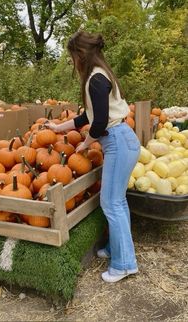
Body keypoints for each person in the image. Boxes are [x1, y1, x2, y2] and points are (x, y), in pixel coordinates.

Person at [46, 31, 141, 283]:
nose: (72, 62)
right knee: (117, 201)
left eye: (72, 57)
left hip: (118, 142)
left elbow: (98, 124)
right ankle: (116, 250)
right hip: (122, 139)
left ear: (80, 54)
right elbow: (87, 118)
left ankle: (123, 265)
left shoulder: (95, 80)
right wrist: (58, 128)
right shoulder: (101, 74)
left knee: (111, 203)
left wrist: (85, 143)